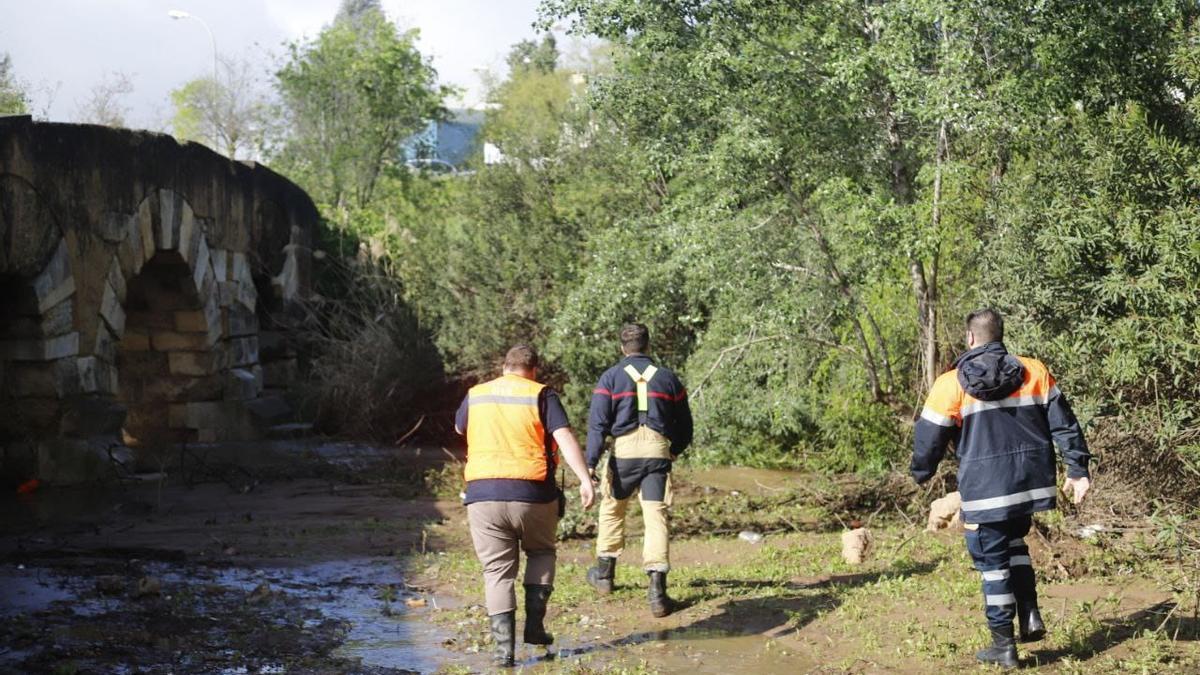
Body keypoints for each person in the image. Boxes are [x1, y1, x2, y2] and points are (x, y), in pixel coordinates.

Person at [911, 309, 1092, 669]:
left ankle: (1003, 646)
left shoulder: (951, 383)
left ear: (970, 338)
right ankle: (1030, 615)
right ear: (1001, 335)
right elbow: (1064, 424)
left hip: (986, 488)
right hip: (1029, 485)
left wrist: (921, 472)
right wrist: (1077, 468)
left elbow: (928, 439)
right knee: (1015, 543)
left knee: (991, 562)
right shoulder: (1034, 370)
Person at [454, 344, 595, 667]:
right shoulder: (541, 394)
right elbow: (563, 436)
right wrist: (585, 479)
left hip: (482, 494)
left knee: (496, 572)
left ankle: (504, 652)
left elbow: (460, 428)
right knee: (541, 552)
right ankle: (535, 626)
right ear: (534, 370)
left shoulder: (476, 394)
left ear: (504, 366)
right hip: (533, 493)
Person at [584, 323, 693, 617]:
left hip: (624, 454)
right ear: (648, 346)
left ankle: (605, 576)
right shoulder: (668, 379)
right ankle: (657, 593)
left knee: (612, 509)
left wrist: (590, 463)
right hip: (657, 451)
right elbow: (686, 426)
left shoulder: (610, 378)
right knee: (655, 515)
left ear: (623, 348)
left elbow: (597, 425)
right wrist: (674, 449)